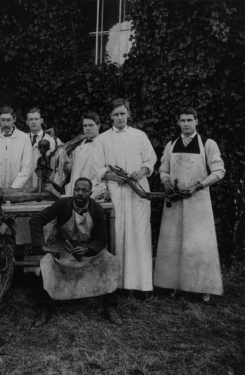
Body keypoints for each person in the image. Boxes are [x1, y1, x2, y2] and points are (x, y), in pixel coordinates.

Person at [154, 107, 225, 301]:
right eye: (182, 120)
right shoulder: (171, 144)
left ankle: (200, 288)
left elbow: (219, 171)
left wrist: (198, 186)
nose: (186, 124)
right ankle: (171, 286)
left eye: (189, 120)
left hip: (198, 204)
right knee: (172, 244)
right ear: (178, 122)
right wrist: (166, 181)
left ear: (196, 121)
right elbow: (163, 168)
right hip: (175, 203)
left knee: (198, 244)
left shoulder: (208, 144)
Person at [29, 178, 122, 326]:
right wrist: (41, 246)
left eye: (84, 191)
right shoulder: (62, 204)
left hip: (85, 248)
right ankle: (44, 309)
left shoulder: (96, 209)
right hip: (63, 247)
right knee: (47, 263)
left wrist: (87, 249)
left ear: (90, 193)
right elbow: (36, 219)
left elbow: (101, 238)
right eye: (77, 189)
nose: (80, 193)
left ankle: (110, 307)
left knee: (109, 260)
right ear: (73, 191)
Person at [92, 98, 157, 293]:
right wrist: (113, 176)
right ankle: (119, 285)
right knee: (118, 233)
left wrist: (142, 171)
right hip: (117, 192)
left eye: (123, 113)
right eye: (116, 114)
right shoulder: (102, 139)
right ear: (110, 116)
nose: (120, 117)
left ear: (128, 114)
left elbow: (150, 159)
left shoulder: (139, 136)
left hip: (137, 192)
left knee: (139, 234)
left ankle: (143, 286)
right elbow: (98, 167)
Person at [0, 106, 33, 189]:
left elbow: (27, 168)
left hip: (17, 191)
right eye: (3, 120)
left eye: (9, 120)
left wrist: (14, 188)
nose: (6, 124)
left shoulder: (24, 138)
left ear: (14, 119)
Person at [66, 112, 106, 200]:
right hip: (76, 192)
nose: (87, 128)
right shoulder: (78, 147)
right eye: (85, 126)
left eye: (91, 125)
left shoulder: (104, 145)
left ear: (98, 125)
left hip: (94, 192)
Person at [26, 107, 62, 188]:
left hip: (45, 186)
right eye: (31, 119)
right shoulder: (21, 140)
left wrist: (54, 185)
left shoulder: (53, 141)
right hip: (25, 187)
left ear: (41, 120)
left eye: (36, 119)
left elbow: (60, 167)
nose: (34, 122)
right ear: (27, 122)